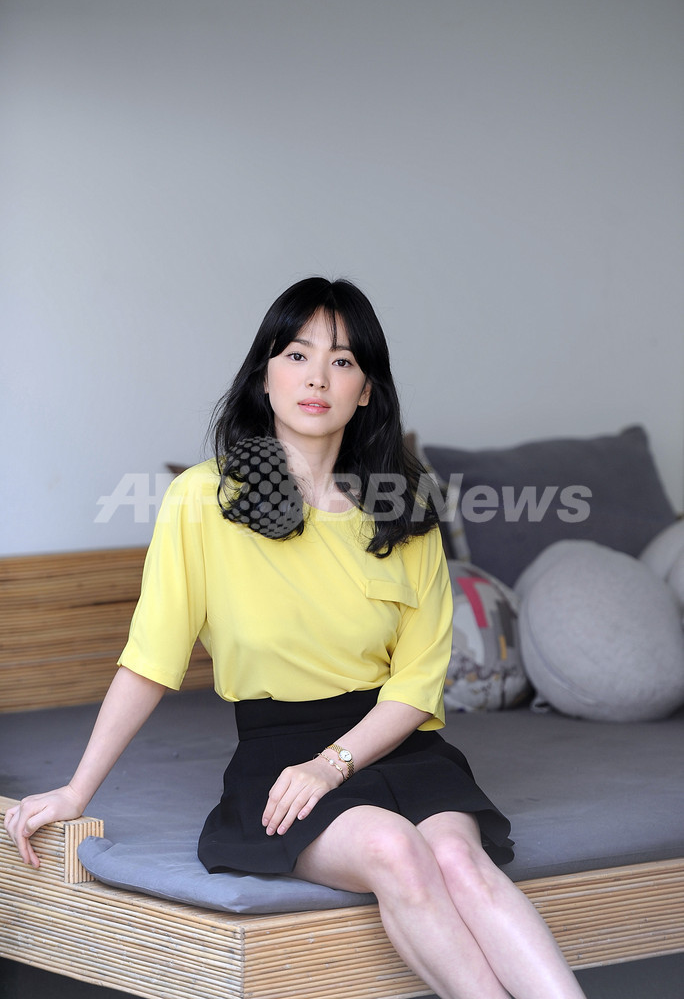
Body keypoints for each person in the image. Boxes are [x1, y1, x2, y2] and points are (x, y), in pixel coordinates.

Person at [4, 277, 587, 999]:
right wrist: (76, 790)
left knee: (463, 864)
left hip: (390, 741)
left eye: (342, 361)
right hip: (278, 757)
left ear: (366, 390)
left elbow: (416, 684)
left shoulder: (405, 510)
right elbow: (150, 661)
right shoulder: (203, 501)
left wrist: (333, 765)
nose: (317, 377)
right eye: (297, 354)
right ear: (264, 375)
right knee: (395, 850)